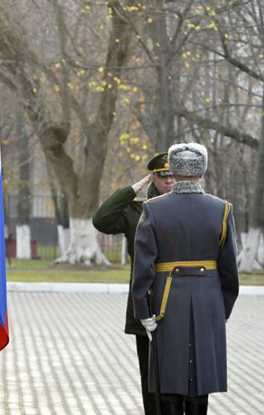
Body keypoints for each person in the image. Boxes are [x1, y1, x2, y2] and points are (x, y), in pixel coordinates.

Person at [132, 143, 239, 415]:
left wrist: (143, 311)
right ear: (201, 172)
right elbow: (229, 269)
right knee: (200, 377)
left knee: (169, 374)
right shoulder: (222, 209)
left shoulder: (154, 208)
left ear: (174, 172)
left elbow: (143, 267)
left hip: (166, 301)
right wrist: (222, 309)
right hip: (208, 300)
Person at [92, 152, 175, 415]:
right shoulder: (137, 207)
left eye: (174, 175)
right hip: (146, 296)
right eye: (163, 177)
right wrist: (132, 189)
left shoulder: (184, 205)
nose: (170, 181)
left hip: (178, 296)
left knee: (180, 372)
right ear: (153, 178)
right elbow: (102, 220)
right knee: (149, 372)